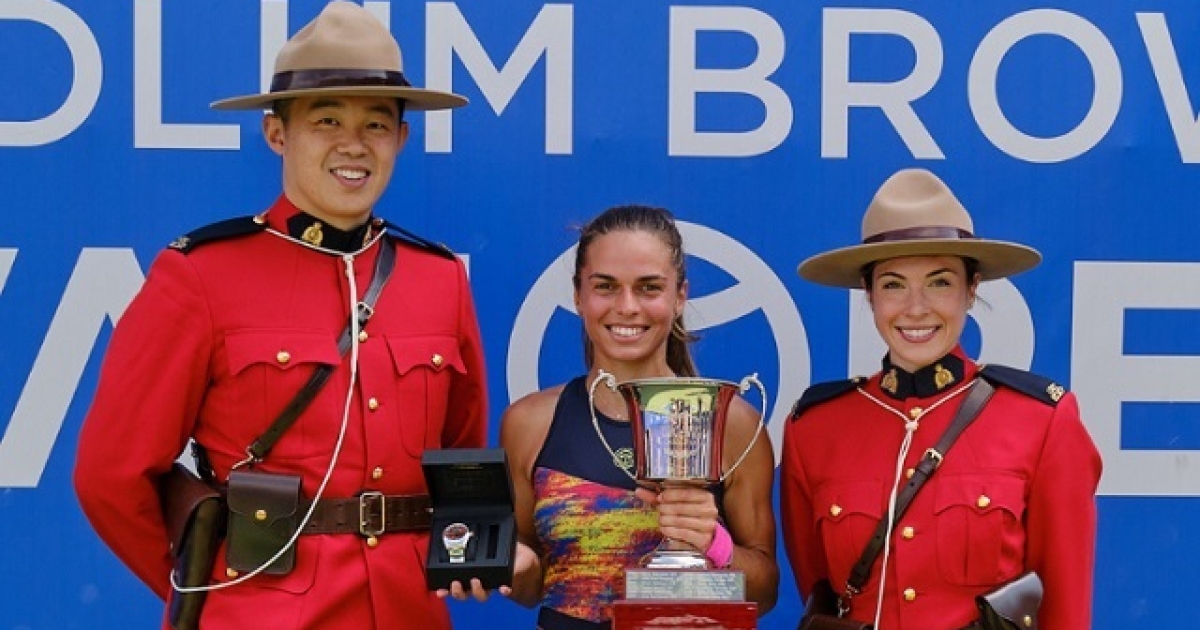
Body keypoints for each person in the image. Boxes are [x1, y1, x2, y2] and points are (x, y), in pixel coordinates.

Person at [73, 3, 486, 629]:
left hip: (409, 612)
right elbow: (110, 474)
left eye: (376, 124)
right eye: (326, 120)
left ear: (401, 139)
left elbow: (460, 457)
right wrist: (205, 583)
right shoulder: (201, 274)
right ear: (276, 133)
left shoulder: (440, 278)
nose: (354, 144)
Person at [781, 168, 1102, 630]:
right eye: (893, 284)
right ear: (868, 295)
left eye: (940, 282)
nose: (916, 308)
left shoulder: (1041, 420)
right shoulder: (814, 429)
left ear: (971, 290)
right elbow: (821, 594)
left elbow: (1064, 608)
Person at [445, 204, 778, 628]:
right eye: (605, 287)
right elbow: (535, 586)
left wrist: (715, 545)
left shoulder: (732, 424)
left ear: (680, 296)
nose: (627, 306)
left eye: (649, 288)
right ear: (578, 295)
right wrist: (517, 569)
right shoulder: (528, 424)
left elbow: (765, 593)